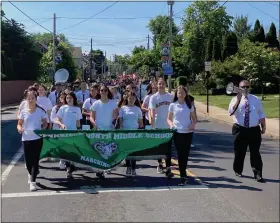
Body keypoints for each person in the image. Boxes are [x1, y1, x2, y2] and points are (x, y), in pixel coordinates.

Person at [228, 80, 266, 183]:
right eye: (243, 87)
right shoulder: (234, 99)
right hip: (239, 129)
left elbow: (261, 113)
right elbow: (231, 112)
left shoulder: (255, 99)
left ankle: (258, 174)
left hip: (254, 129)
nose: (245, 89)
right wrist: (238, 100)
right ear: (239, 88)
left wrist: (263, 126)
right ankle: (238, 170)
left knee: (255, 152)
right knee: (240, 151)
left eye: (247, 87)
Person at [17, 90, 48, 191]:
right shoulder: (23, 112)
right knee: (28, 162)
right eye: (28, 98)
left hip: (37, 138)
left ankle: (33, 182)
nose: (30, 100)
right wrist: (19, 128)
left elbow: (45, 123)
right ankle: (31, 174)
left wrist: (43, 128)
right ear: (26, 99)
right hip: (26, 139)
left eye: (32, 98)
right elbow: (19, 124)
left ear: (36, 99)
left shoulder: (40, 111)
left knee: (35, 161)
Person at [167, 86, 197, 185]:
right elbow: (169, 118)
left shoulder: (189, 105)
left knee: (185, 154)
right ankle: (183, 175)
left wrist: (193, 124)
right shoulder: (172, 105)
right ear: (176, 94)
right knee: (180, 154)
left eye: (182, 92)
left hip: (188, 132)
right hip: (178, 132)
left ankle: (183, 173)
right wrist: (171, 125)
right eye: (179, 92)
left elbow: (194, 118)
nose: (180, 93)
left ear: (185, 94)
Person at [90, 84, 118, 178]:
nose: (103, 92)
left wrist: (113, 123)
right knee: (99, 150)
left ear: (108, 92)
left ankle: (107, 167)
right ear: (99, 92)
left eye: (105, 90)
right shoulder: (96, 103)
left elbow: (115, 116)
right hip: (98, 130)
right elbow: (91, 117)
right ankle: (99, 170)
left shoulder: (112, 103)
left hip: (109, 130)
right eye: (102, 90)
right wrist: (94, 125)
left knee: (108, 151)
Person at [149, 78, 174, 178]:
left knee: (168, 147)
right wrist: (151, 121)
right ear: (157, 85)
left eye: (163, 84)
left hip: (168, 125)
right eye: (159, 84)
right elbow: (151, 110)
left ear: (165, 85)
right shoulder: (154, 97)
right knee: (159, 147)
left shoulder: (170, 97)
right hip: (158, 124)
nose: (161, 85)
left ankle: (168, 168)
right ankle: (160, 163)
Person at [57, 92, 82, 178]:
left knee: (73, 152)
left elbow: (78, 123)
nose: (68, 99)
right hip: (64, 133)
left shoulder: (77, 109)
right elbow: (58, 120)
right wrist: (61, 125)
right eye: (67, 98)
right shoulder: (63, 108)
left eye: (70, 97)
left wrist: (79, 130)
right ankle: (69, 170)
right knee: (67, 152)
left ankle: (72, 167)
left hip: (73, 133)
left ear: (74, 98)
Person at [119, 91, 144, 176]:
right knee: (127, 151)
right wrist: (122, 129)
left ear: (135, 99)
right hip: (126, 132)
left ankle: (133, 168)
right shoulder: (123, 108)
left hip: (135, 132)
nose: (131, 100)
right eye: (130, 98)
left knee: (133, 152)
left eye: (133, 98)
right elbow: (120, 121)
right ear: (127, 98)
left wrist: (141, 130)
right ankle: (128, 167)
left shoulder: (137, 109)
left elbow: (141, 122)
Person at [50, 92, 67, 170]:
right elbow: (52, 118)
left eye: (64, 98)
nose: (62, 99)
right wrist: (59, 123)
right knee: (60, 145)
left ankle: (65, 161)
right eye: (61, 98)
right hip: (57, 128)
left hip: (66, 128)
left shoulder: (68, 107)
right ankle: (62, 160)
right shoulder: (55, 108)